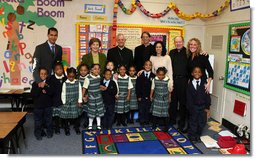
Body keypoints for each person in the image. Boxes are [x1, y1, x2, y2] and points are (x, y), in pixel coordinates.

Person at [169, 36, 188, 132]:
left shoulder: (188, 52)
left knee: (182, 103)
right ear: (174, 43)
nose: (178, 43)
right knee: (173, 101)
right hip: (173, 80)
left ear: (183, 42)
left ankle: (181, 123)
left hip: (184, 81)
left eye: (180, 42)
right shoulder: (171, 52)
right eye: (176, 42)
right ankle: (172, 120)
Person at [186, 66, 211, 143]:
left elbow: (207, 96)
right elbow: (188, 98)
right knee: (193, 122)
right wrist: (190, 108)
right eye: (195, 72)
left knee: (201, 122)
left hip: (203, 107)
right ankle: (192, 136)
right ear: (192, 73)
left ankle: (198, 135)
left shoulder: (204, 84)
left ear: (201, 74)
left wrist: (207, 106)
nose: (197, 73)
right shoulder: (189, 85)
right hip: (193, 107)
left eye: (199, 72)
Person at [31, 68, 54, 140]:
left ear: (47, 75)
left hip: (48, 106)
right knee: (38, 121)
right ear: (39, 75)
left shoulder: (49, 83)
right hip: (38, 107)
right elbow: (34, 94)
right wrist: (40, 88)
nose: (43, 75)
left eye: (45, 74)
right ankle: (38, 133)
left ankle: (49, 132)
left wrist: (45, 88)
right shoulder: (35, 84)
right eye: (41, 74)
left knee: (49, 120)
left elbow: (51, 93)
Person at [60, 67, 83, 136]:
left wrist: (79, 101)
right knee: (66, 117)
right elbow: (63, 93)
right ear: (67, 76)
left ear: (75, 76)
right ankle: (66, 128)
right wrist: (64, 102)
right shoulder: (65, 83)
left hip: (75, 102)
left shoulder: (77, 82)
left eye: (73, 77)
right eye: (69, 77)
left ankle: (76, 127)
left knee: (76, 116)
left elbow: (80, 92)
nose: (71, 78)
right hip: (67, 102)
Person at [82, 64, 105, 130]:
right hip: (91, 98)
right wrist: (83, 96)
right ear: (91, 70)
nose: (97, 70)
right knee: (91, 112)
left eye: (98, 69)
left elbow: (98, 86)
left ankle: (98, 125)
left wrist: (102, 87)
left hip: (99, 98)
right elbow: (84, 88)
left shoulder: (99, 77)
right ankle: (90, 125)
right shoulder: (88, 78)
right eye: (95, 69)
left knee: (98, 112)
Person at [150, 67, 171, 132]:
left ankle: (166, 127)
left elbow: (169, 90)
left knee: (165, 114)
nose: (161, 76)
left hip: (165, 99)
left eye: (162, 75)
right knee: (155, 113)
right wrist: (151, 95)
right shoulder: (154, 80)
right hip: (157, 98)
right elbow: (152, 88)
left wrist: (169, 98)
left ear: (165, 74)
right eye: (159, 75)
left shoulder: (168, 80)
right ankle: (154, 125)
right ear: (156, 74)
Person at [136, 60, 155, 126]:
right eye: (146, 65)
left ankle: (147, 120)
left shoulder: (153, 76)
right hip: (141, 96)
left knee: (148, 109)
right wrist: (138, 96)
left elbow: (154, 87)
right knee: (141, 109)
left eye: (149, 65)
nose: (148, 66)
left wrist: (152, 96)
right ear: (143, 66)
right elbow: (137, 87)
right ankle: (142, 120)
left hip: (149, 96)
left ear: (151, 66)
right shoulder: (140, 75)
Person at [50, 62, 67, 135]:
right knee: (56, 115)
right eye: (57, 69)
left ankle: (65, 126)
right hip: (55, 100)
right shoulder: (51, 78)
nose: (59, 70)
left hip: (64, 100)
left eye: (60, 69)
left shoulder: (65, 78)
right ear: (54, 70)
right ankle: (57, 127)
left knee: (64, 114)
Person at [77, 63, 89, 128]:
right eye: (81, 70)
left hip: (87, 97)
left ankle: (86, 123)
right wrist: (80, 97)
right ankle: (77, 123)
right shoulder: (78, 78)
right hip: (79, 97)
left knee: (86, 111)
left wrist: (86, 96)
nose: (83, 72)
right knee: (79, 110)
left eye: (85, 70)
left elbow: (90, 89)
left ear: (88, 71)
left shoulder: (89, 78)